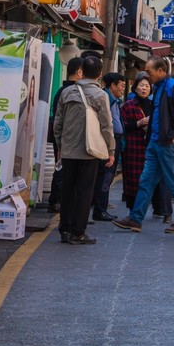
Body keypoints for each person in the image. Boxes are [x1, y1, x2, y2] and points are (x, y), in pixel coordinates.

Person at [112, 57, 174, 233]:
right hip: (155, 142)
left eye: (149, 71)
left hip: (166, 144)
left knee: (173, 183)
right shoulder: (159, 87)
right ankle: (136, 218)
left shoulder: (172, 86)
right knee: (145, 181)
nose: (147, 75)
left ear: (161, 70)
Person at [51, 55, 115, 245]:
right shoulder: (101, 95)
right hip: (89, 151)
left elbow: (58, 123)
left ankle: (64, 229)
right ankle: (78, 232)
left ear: (82, 72)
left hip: (68, 151)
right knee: (84, 191)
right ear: (100, 74)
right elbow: (107, 126)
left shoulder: (66, 92)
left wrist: (60, 146)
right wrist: (111, 150)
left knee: (68, 190)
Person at [46, 57, 83, 213]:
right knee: (61, 169)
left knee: (63, 169)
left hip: (64, 137)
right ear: (79, 72)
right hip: (65, 138)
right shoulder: (68, 92)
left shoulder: (63, 91)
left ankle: (58, 200)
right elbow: (59, 119)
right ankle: (55, 201)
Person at [119, 75, 156, 212]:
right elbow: (122, 126)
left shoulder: (154, 106)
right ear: (135, 88)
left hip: (149, 147)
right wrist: (138, 123)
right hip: (132, 147)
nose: (144, 88)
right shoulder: (128, 106)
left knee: (146, 179)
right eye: (141, 85)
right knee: (131, 178)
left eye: (147, 86)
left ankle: (142, 208)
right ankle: (132, 209)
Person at [93, 72, 127, 222]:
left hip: (115, 140)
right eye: (122, 85)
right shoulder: (105, 99)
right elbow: (106, 125)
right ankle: (100, 210)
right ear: (113, 85)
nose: (123, 89)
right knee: (105, 176)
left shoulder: (115, 100)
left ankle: (101, 208)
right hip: (108, 142)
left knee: (107, 175)